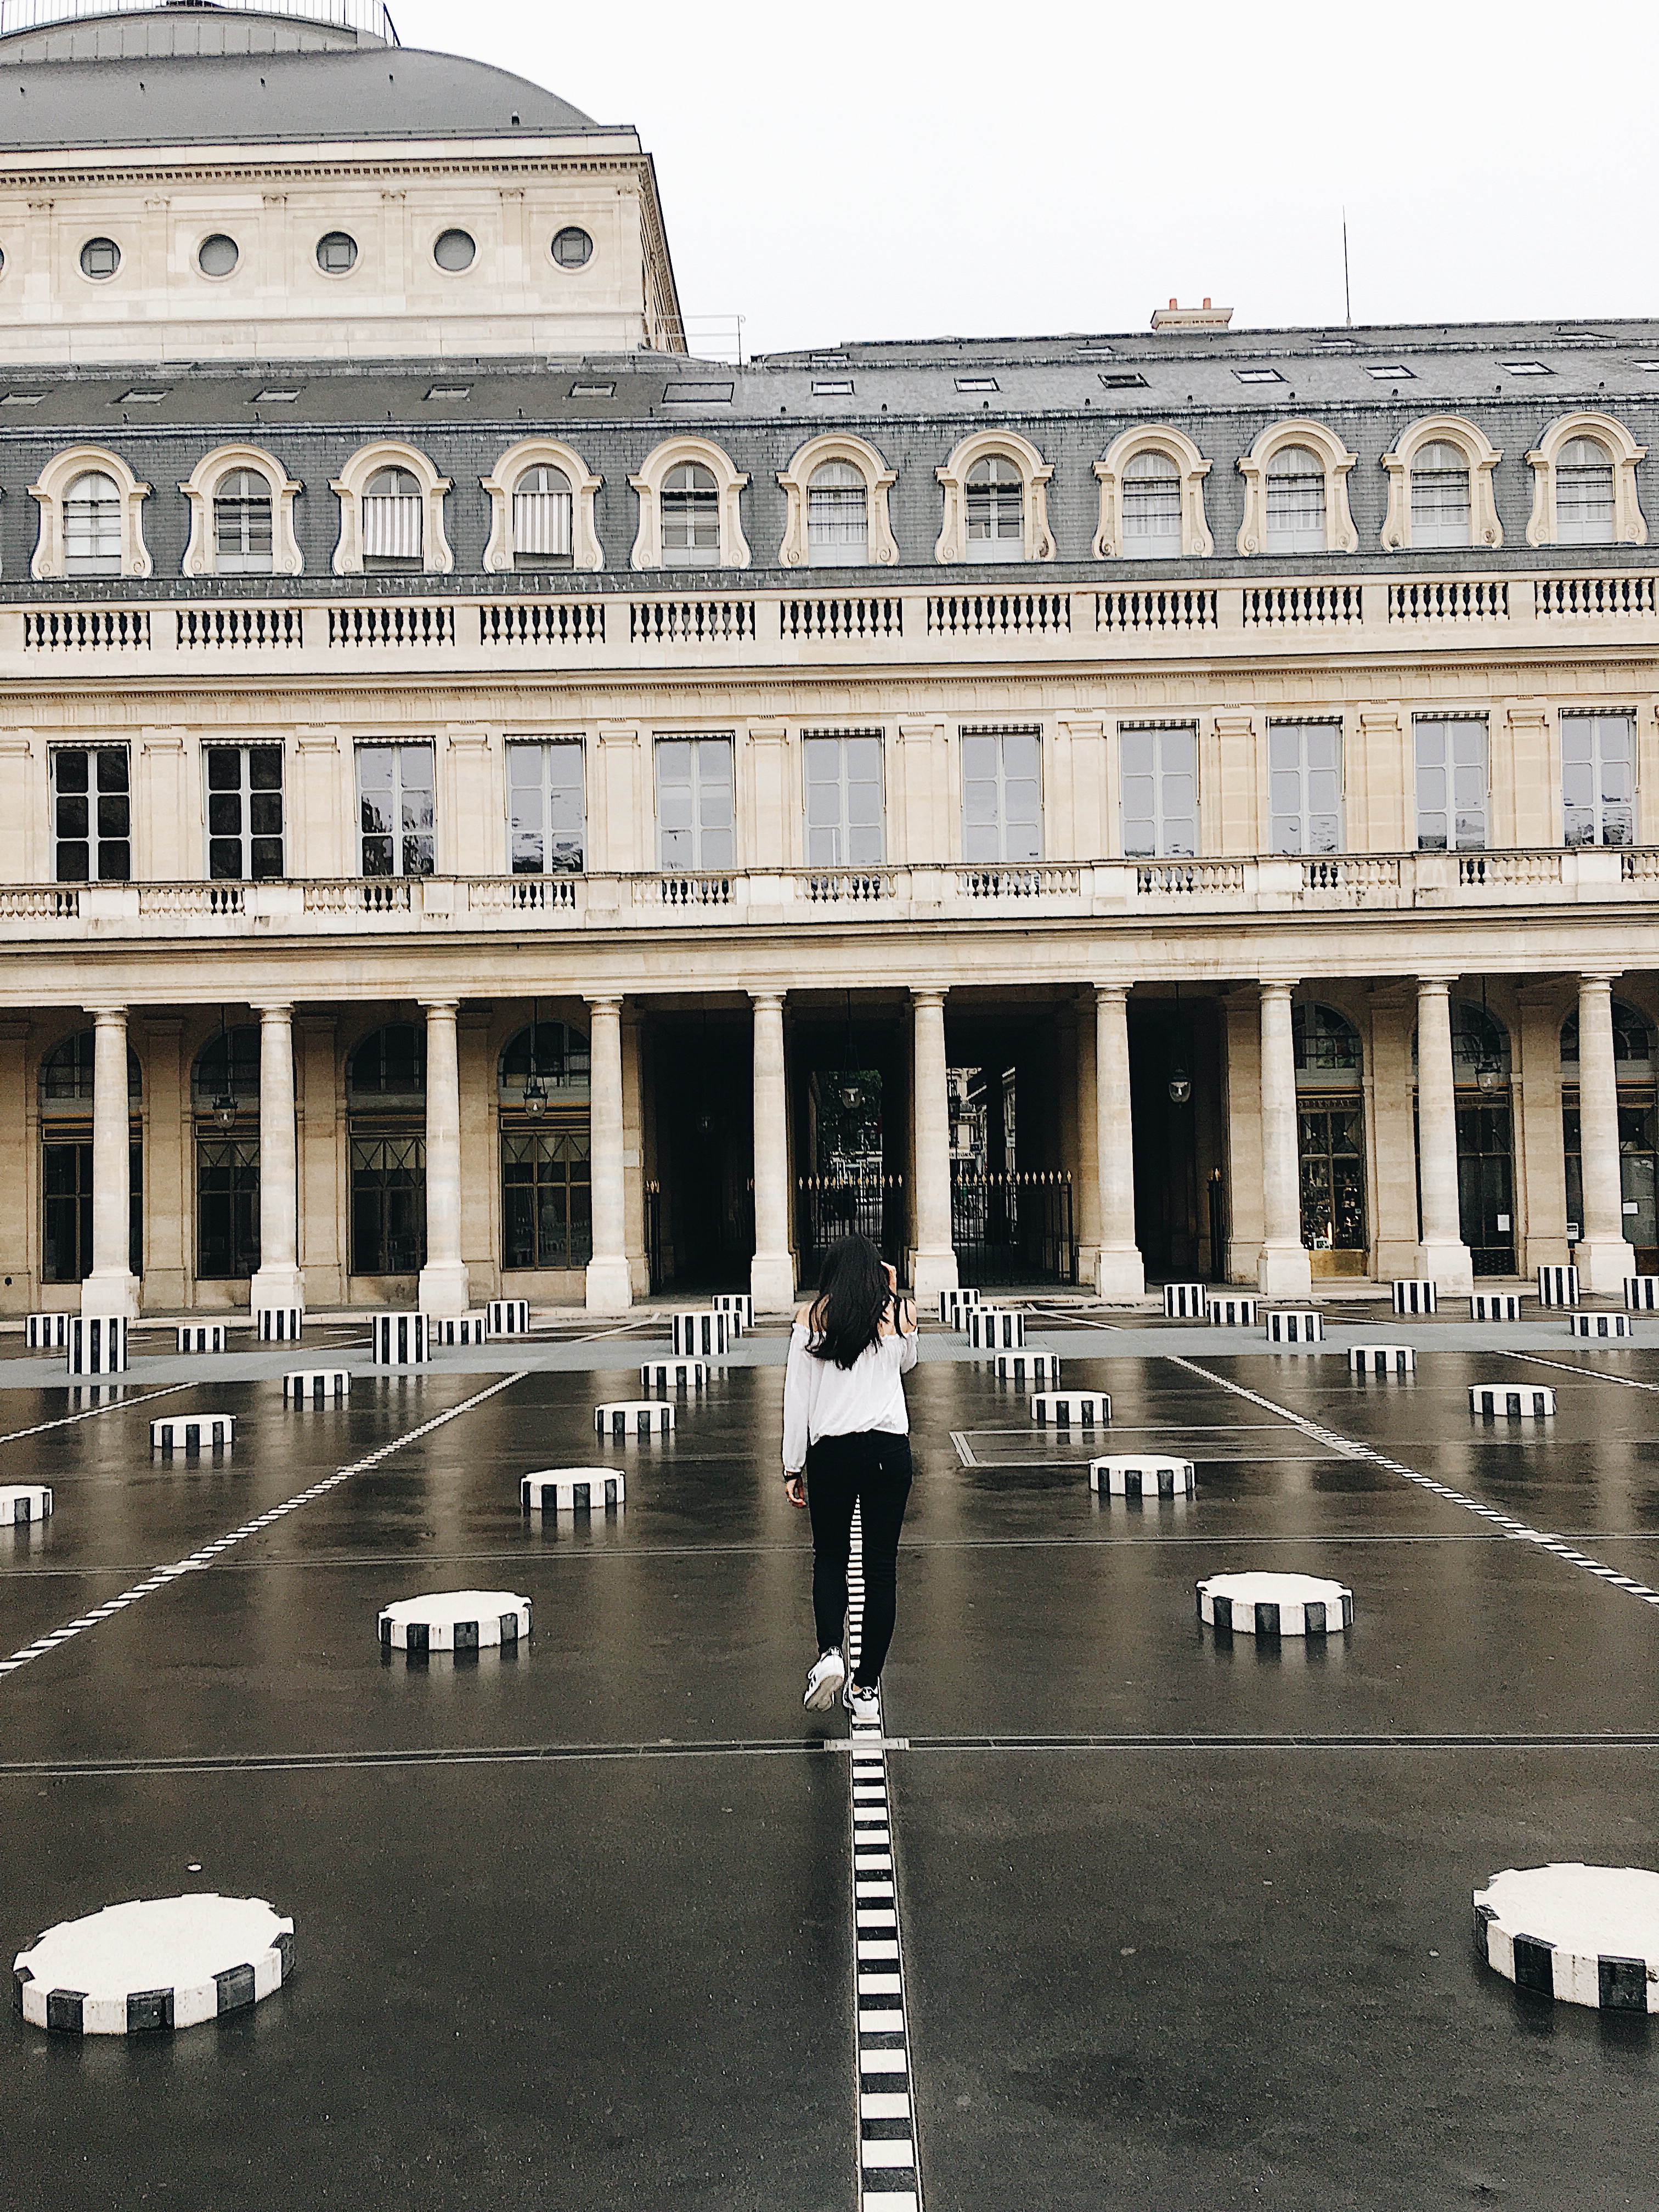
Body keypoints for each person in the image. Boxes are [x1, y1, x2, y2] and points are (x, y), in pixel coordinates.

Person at [782, 1233, 919, 1720]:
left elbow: (797, 1399)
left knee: (831, 1557)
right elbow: (908, 1363)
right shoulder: (899, 1315)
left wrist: (792, 1465)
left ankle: (830, 1654)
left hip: (832, 1454)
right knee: (880, 1568)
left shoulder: (811, 1319)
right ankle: (866, 1688)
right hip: (888, 1450)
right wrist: (896, 1298)